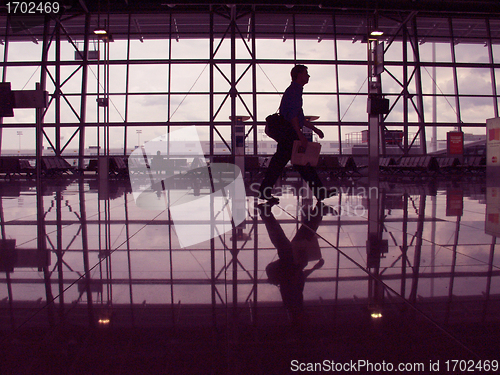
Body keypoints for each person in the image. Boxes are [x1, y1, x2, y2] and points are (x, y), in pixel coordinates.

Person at [258, 65, 335, 204]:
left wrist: (315, 129)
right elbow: (293, 117)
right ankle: (320, 192)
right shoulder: (294, 91)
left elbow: (300, 118)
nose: (308, 76)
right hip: (289, 134)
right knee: (300, 164)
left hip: (288, 134)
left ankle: (265, 192)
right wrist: (300, 135)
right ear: (299, 75)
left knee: (286, 164)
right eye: (306, 73)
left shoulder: (295, 90)